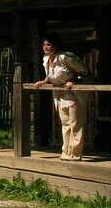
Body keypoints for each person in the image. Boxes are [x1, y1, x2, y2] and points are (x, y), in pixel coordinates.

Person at [32, 33, 88, 161]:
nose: (46, 47)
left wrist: (73, 81)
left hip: (73, 94)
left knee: (75, 123)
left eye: (49, 44)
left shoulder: (65, 57)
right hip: (59, 95)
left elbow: (83, 71)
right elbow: (51, 75)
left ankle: (75, 153)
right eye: (44, 44)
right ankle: (66, 152)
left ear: (55, 46)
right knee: (65, 123)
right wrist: (44, 81)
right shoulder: (46, 60)